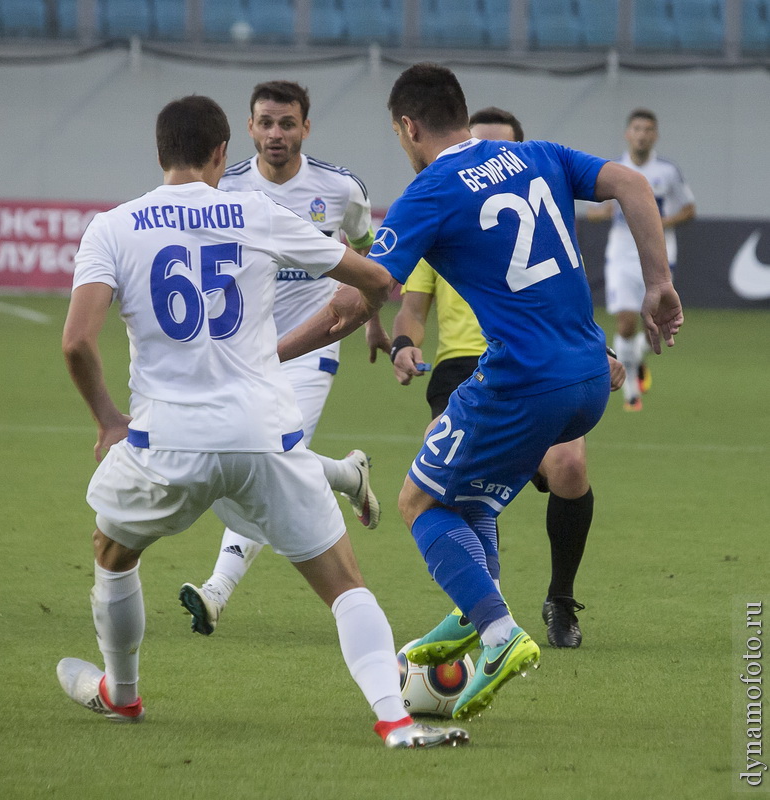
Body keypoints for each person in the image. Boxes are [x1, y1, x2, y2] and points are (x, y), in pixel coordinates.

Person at [56, 94, 467, 749]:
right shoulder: (256, 211)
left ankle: (123, 695)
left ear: (159, 152)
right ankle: (395, 719)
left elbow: (77, 342)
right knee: (343, 583)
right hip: (262, 434)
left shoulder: (113, 227)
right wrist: (365, 301)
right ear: (224, 153)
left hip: (166, 441)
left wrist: (108, 419)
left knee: (112, 554)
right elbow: (374, 277)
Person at [278, 63, 682, 721]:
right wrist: (658, 281)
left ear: (409, 128)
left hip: (523, 383)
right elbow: (634, 184)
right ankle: (472, 616)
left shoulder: (430, 191)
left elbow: (352, 306)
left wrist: (263, 358)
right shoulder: (538, 154)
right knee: (472, 499)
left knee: (418, 500)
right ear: (461, 114)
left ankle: (496, 633)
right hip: (589, 377)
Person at [390, 105, 626, 649]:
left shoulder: (528, 195)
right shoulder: (443, 210)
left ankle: (555, 602)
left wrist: (601, 349)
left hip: (537, 365)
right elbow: (410, 308)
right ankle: (484, 610)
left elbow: (559, 302)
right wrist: (404, 342)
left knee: (567, 466)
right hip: (461, 365)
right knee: (445, 473)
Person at [179, 80, 391, 637]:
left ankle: (217, 590)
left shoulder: (342, 190)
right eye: (266, 123)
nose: (276, 134)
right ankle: (348, 474)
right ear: (248, 128)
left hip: (310, 352)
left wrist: (374, 322)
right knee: (256, 457)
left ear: (306, 127)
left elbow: (368, 257)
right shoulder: (225, 189)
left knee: (262, 456)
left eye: (287, 123)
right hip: (241, 354)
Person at [588, 108, 695, 411]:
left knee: (656, 325)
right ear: (628, 134)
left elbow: (689, 208)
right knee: (625, 322)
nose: (642, 134)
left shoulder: (667, 171)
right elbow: (594, 211)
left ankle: (636, 356)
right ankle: (631, 389)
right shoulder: (614, 169)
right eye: (637, 128)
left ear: (655, 135)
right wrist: (602, 213)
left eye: (648, 129)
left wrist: (660, 222)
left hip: (658, 253)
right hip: (622, 252)